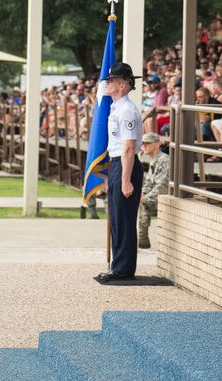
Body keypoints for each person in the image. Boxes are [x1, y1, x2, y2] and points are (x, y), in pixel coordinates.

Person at [95, 63, 144, 282]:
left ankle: (123, 268)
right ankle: (118, 264)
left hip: (127, 165)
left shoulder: (127, 111)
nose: (107, 83)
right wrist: (111, 175)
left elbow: (129, 147)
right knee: (116, 218)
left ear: (123, 85)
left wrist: (125, 180)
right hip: (117, 164)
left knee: (123, 219)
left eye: (112, 81)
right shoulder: (116, 108)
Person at [137, 132, 169, 249]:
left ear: (157, 145)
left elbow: (161, 186)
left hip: (165, 197)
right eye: (142, 144)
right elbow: (148, 183)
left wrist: (145, 198)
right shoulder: (153, 160)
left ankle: (142, 240)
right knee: (141, 201)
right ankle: (142, 240)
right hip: (157, 195)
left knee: (143, 203)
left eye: (147, 143)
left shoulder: (164, 161)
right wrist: (142, 194)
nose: (144, 146)